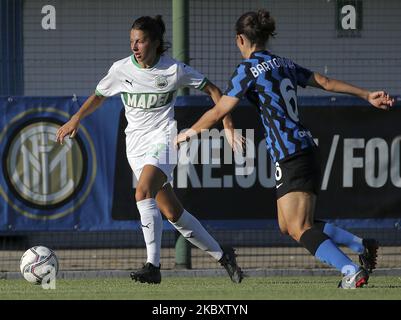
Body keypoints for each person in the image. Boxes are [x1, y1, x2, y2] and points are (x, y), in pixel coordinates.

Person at [176, 10, 394, 289]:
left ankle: (350, 269)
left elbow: (222, 108)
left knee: (298, 227)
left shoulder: (247, 69)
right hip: (300, 149)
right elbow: (325, 83)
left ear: (240, 39)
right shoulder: (284, 63)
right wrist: (366, 94)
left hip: (291, 153)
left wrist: (189, 133)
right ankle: (360, 245)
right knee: (287, 224)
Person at [56, 15, 243, 284]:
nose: (135, 46)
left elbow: (214, 91)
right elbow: (98, 96)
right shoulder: (121, 70)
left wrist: (227, 124)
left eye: (141, 41)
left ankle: (153, 266)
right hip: (135, 144)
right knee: (172, 213)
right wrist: (76, 118)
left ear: (155, 43)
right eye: (132, 41)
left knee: (142, 191)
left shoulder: (174, 70)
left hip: (165, 138)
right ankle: (223, 256)